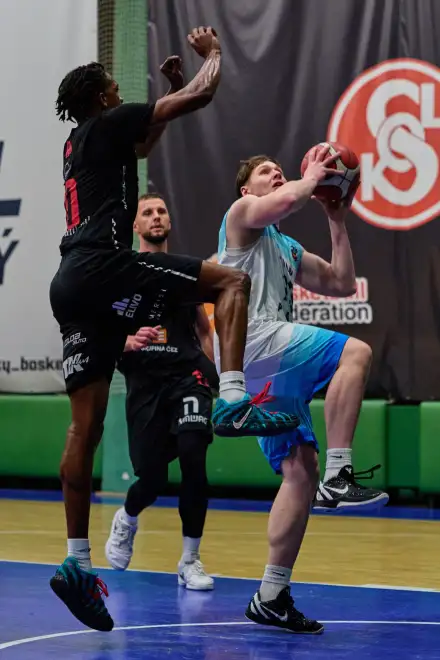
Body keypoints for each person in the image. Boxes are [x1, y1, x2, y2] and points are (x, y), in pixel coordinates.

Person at [49, 27, 299, 633]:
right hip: (106, 267)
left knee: (83, 428)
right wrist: (211, 56)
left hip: (70, 284)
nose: (119, 93)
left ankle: (76, 560)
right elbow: (200, 99)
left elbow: (143, 141)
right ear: (103, 98)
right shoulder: (108, 120)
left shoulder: (80, 141)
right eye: (114, 88)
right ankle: (233, 397)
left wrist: (169, 86)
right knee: (231, 283)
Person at [215, 148, 389, 634]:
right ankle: (341, 473)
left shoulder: (286, 247)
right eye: (265, 171)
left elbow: (341, 282)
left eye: (280, 169)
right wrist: (311, 178)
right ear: (246, 188)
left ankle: (271, 595)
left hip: (269, 363)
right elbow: (286, 202)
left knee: (298, 471)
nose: (277, 172)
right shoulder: (241, 215)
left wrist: (336, 218)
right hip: (254, 341)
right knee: (356, 353)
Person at [105, 193, 217, 591]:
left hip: (188, 377)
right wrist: (126, 341)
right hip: (145, 384)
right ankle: (127, 518)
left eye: (162, 211)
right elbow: (98, 334)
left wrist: (215, 377)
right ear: (135, 226)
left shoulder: (186, 273)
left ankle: (190, 559)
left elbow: (204, 330)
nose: (156, 217)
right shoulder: (120, 275)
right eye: (148, 213)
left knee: (194, 457)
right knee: (152, 480)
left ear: (169, 221)